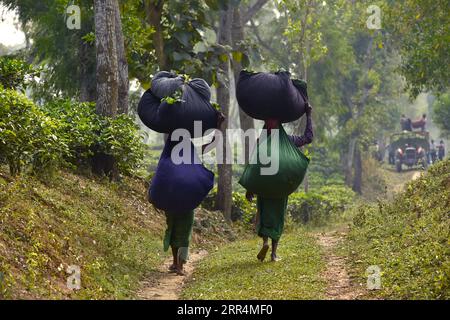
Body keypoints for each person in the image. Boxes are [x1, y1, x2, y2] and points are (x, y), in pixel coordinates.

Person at [245, 104, 313, 262]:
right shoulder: (287, 140)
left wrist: (250, 187)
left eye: (270, 121)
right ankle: (273, 252)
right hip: (280, 186)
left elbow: (253, 165)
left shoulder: (262, 141)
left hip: (265, 186)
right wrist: (308, 115)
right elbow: (307, 138)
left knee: (265, 214)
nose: (268, 124)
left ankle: (266, 243)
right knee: (277, 216)